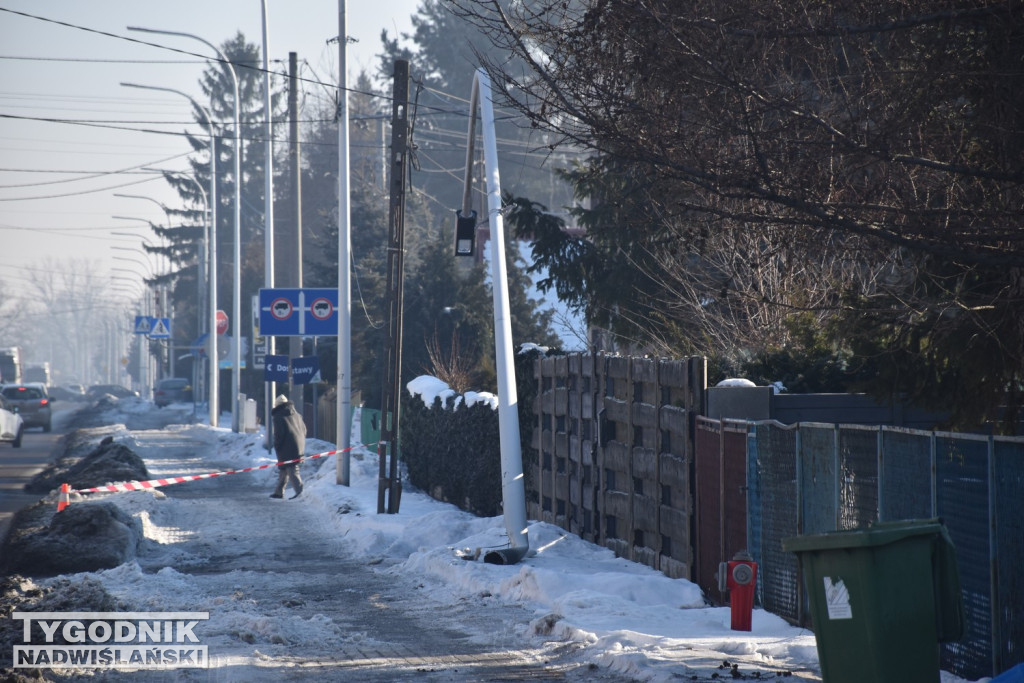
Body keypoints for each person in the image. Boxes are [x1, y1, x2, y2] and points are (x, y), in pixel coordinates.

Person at [270, 394, 305, 499]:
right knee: (284, 468)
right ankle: (279, 492)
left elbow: (279, 434)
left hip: (287, 446)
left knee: (292, 469)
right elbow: (304, 429)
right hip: (299, 444)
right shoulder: (297, 415)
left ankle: (300, 492)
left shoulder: (278, 416)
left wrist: (277, 445)